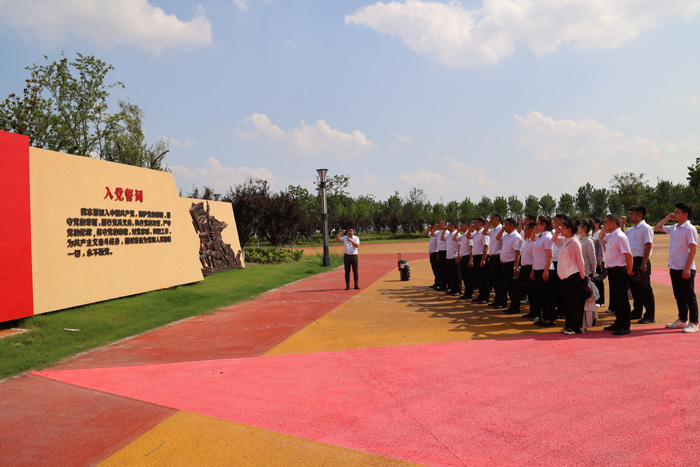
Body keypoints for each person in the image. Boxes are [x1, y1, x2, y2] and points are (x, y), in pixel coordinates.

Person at [655, 203, 699, 333]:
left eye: (677, 212)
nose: (674, 214)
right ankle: (682, 319)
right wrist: (667, 217)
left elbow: (693, 250)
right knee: (679, 295)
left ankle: (694, 323)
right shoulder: (674, 227)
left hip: (685, 267)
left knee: (689, 296)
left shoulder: (690, 229)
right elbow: (658, 227)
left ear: (685, 214)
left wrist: (687, 268)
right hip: (674, 267)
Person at [601, 214, 634, 335]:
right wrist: (604, 228)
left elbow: (628, 255)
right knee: (616, 298)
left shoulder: (620, 236)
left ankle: (625, 325)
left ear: (613, 223)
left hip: (619, 270)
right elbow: (601, 238)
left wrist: (629, 272)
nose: (604, 224)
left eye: (606, 222)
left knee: (622, 299)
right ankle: (619, 322)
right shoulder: (611, 236)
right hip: (612, 270)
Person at [623, 205, 656, 324]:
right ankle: (637, 312)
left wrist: (644, 263)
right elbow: (622, 235)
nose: (630, 216)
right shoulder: (632, 229)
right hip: (632, 261)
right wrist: (622, 224)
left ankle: (650, 315)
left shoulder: (646, 228)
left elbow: (648, 245)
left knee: (645, 288)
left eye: (632, 214)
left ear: (640, 215)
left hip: (641, 260)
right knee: (635, 288)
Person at [553, 219, 586, 334]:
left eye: (563, 227)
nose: (561, 229)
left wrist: (582, 276)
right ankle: (568, 325)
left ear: (569, 229)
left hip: (573, 275)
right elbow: (554, 240)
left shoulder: (575, 242)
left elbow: (580, 261)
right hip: (563, 276)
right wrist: (557, 232)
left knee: (574, 303)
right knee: (567, 303)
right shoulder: (563, 240)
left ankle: (575, 327)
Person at [531, 216, 556, 327]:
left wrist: (546, 272)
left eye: (538, 224)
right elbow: (531, 238)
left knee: (547, 296)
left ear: (544, 225)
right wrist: (535, 230)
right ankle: (544, 317)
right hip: (538, 268)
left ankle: (549, 319)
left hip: (545, 269)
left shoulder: (547, 237)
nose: (536, 225)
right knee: (542, 295)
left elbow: (550, 255)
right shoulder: (541, 236)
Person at [497, 218, 522, 314]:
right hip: (505, 264)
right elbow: (497, 237)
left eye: (506, 225)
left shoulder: (515, 236)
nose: (504, 226)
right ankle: (512, 305)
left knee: (513, 286)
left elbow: (517, 253)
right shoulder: (506, 235)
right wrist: (503, 229)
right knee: (509, 286)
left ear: (512, 225)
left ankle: (516, 306)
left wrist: (515, 266)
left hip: (511, 264)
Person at [483, 213, 507, 308]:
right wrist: (489, 224)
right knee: (495, 280)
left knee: (500, 280)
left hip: (498, 257)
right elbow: (484, 232)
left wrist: (502, 257)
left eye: (492, 218)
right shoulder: (492, 230)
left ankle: (503, 301)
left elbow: (504, 244)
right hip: (492, 257)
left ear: (497, 219)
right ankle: (497, 300)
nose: (491, 220)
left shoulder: (502, 229)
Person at [520, 221, 540, 320]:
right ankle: (532, 311)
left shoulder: (535, 242)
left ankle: (537, 313)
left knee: (534, 292)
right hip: (525, 268)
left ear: (532, 230)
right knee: (529, 291)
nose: (524, 231)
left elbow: (535, 258)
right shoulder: (528, 240)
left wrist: (532, 271)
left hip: (531, 268)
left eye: (526, 229)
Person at [468, 218, 490, 304]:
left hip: (482, 257)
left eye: (476, 223)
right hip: (476, 257)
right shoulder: (475, 233)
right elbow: (467, 236)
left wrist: (483, 259)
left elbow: (486, 247)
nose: (474, 224)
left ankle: (485, 297)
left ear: (480, 223)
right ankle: (481, 296)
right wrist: (470, 228)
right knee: (479, 278)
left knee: (484, 278)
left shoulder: (484, 233)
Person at [456, 221, 474, 299]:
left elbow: (471, 248)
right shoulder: (463, 235)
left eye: (462, 225)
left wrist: (471, 259)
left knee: (468, 277)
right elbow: (454, 238)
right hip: (463, 258)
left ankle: (469, 293)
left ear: (467, 227)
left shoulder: (469, 235)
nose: (460, 227)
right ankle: (466, 293)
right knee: (464, 276)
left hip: (467, 258)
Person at [592, 217, 607, 308]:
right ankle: (596, 299)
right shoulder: (592, 233)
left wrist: (599, 261)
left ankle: (601, 301)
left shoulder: (599, 234)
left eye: (592, 222)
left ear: (597, 223)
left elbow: (601, 249)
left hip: (598, 261)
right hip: (592, 261)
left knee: (599, 281)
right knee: (594, 281)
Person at [445, 221, 462, 296]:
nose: (448, 226)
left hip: (454, 256)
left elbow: (459, 246)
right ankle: (453, 289)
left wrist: (458, 257)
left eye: (449, 225)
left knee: (456, 275)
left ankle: (458, 290)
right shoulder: (449, 235)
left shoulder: (457, 234)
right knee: (451, 274)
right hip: (449, 256)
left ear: (453, 226)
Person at [426, 224, 440, 289]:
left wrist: (438, 254)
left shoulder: (437, 234)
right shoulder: (432, 234)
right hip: (432, 253)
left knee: (437, 269)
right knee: (434, 268)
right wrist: (429, 228)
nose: (430, 228)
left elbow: (438, 245)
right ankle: (436, 282)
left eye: (432, 227)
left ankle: (439, 282)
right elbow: (427, 233)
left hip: (435, 253)